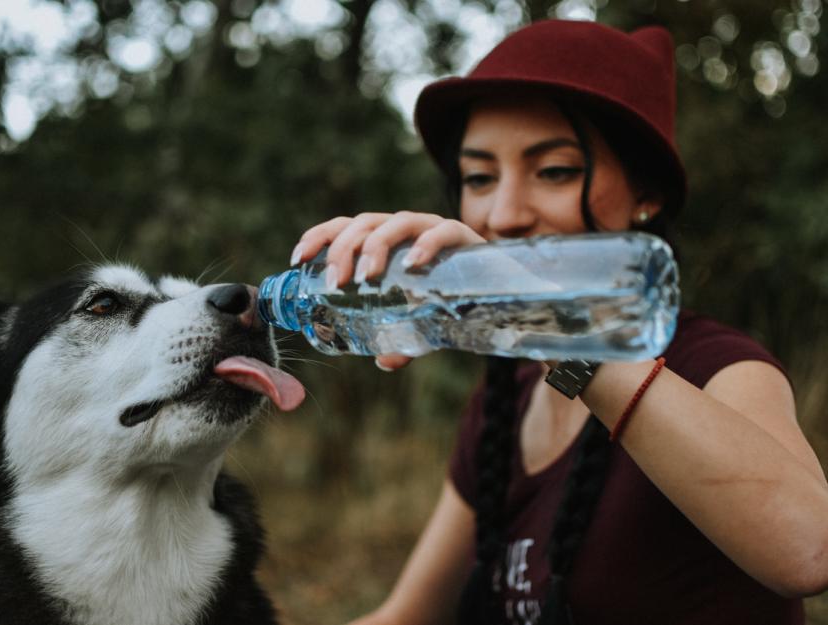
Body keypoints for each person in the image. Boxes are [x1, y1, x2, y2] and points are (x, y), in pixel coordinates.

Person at [289, 20, 828, 625]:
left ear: (645, 191)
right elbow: (407, 616)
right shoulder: (503, 402)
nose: (504, 214)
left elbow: (809, 550)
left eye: (555, 171)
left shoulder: (718, 365)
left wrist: (543, 321)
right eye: (479, 178)